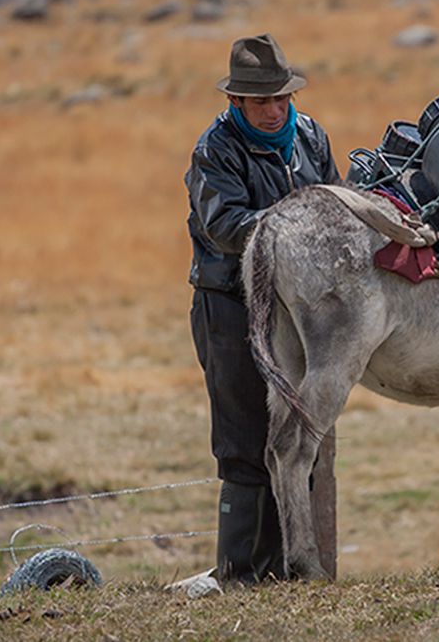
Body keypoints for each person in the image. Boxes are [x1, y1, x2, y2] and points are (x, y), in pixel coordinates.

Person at [181, 33, 340, 591]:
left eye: (281, 98)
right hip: (231, 308)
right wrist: (297, 235)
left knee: (301, 435)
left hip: (299, 314)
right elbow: (223, 227)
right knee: (245, 440)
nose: (274, 111)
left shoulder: (312, 136)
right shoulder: (214, 150)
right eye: (260, 102)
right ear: (236, 104)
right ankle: (242, 574)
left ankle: (294, 566)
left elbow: (335, 204)